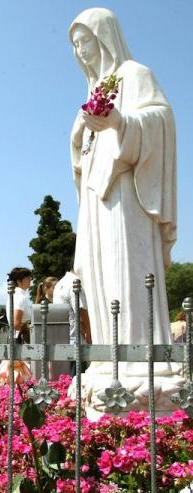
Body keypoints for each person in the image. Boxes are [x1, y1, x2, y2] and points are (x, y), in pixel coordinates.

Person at [69, 9, 177, 374]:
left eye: (86, 41)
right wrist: (80, 132)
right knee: (100, 276)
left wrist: (119, 122)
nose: (82, 51)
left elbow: (161, 119)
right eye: (76, 45)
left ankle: (141, 362)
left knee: (127, 271)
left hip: (126, 194)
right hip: (96, 199)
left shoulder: (134, 74)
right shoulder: (93, 90)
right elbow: (80, 152)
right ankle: (107, 359)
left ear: (104, 37)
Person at [53, 269, 92, 376]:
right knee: (76, 382)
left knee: (65, 383)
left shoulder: (59, 284)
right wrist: (89, 333)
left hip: (62, 340)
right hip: (76, 341)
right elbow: (80, 310)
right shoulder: (75, 282)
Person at [5, 267, 32, 343]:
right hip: (21, 339)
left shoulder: (16, 295)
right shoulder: (20, 297)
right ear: (19, 281)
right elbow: (16, 324)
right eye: (27, 277)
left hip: (19, 338)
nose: (30, 279)